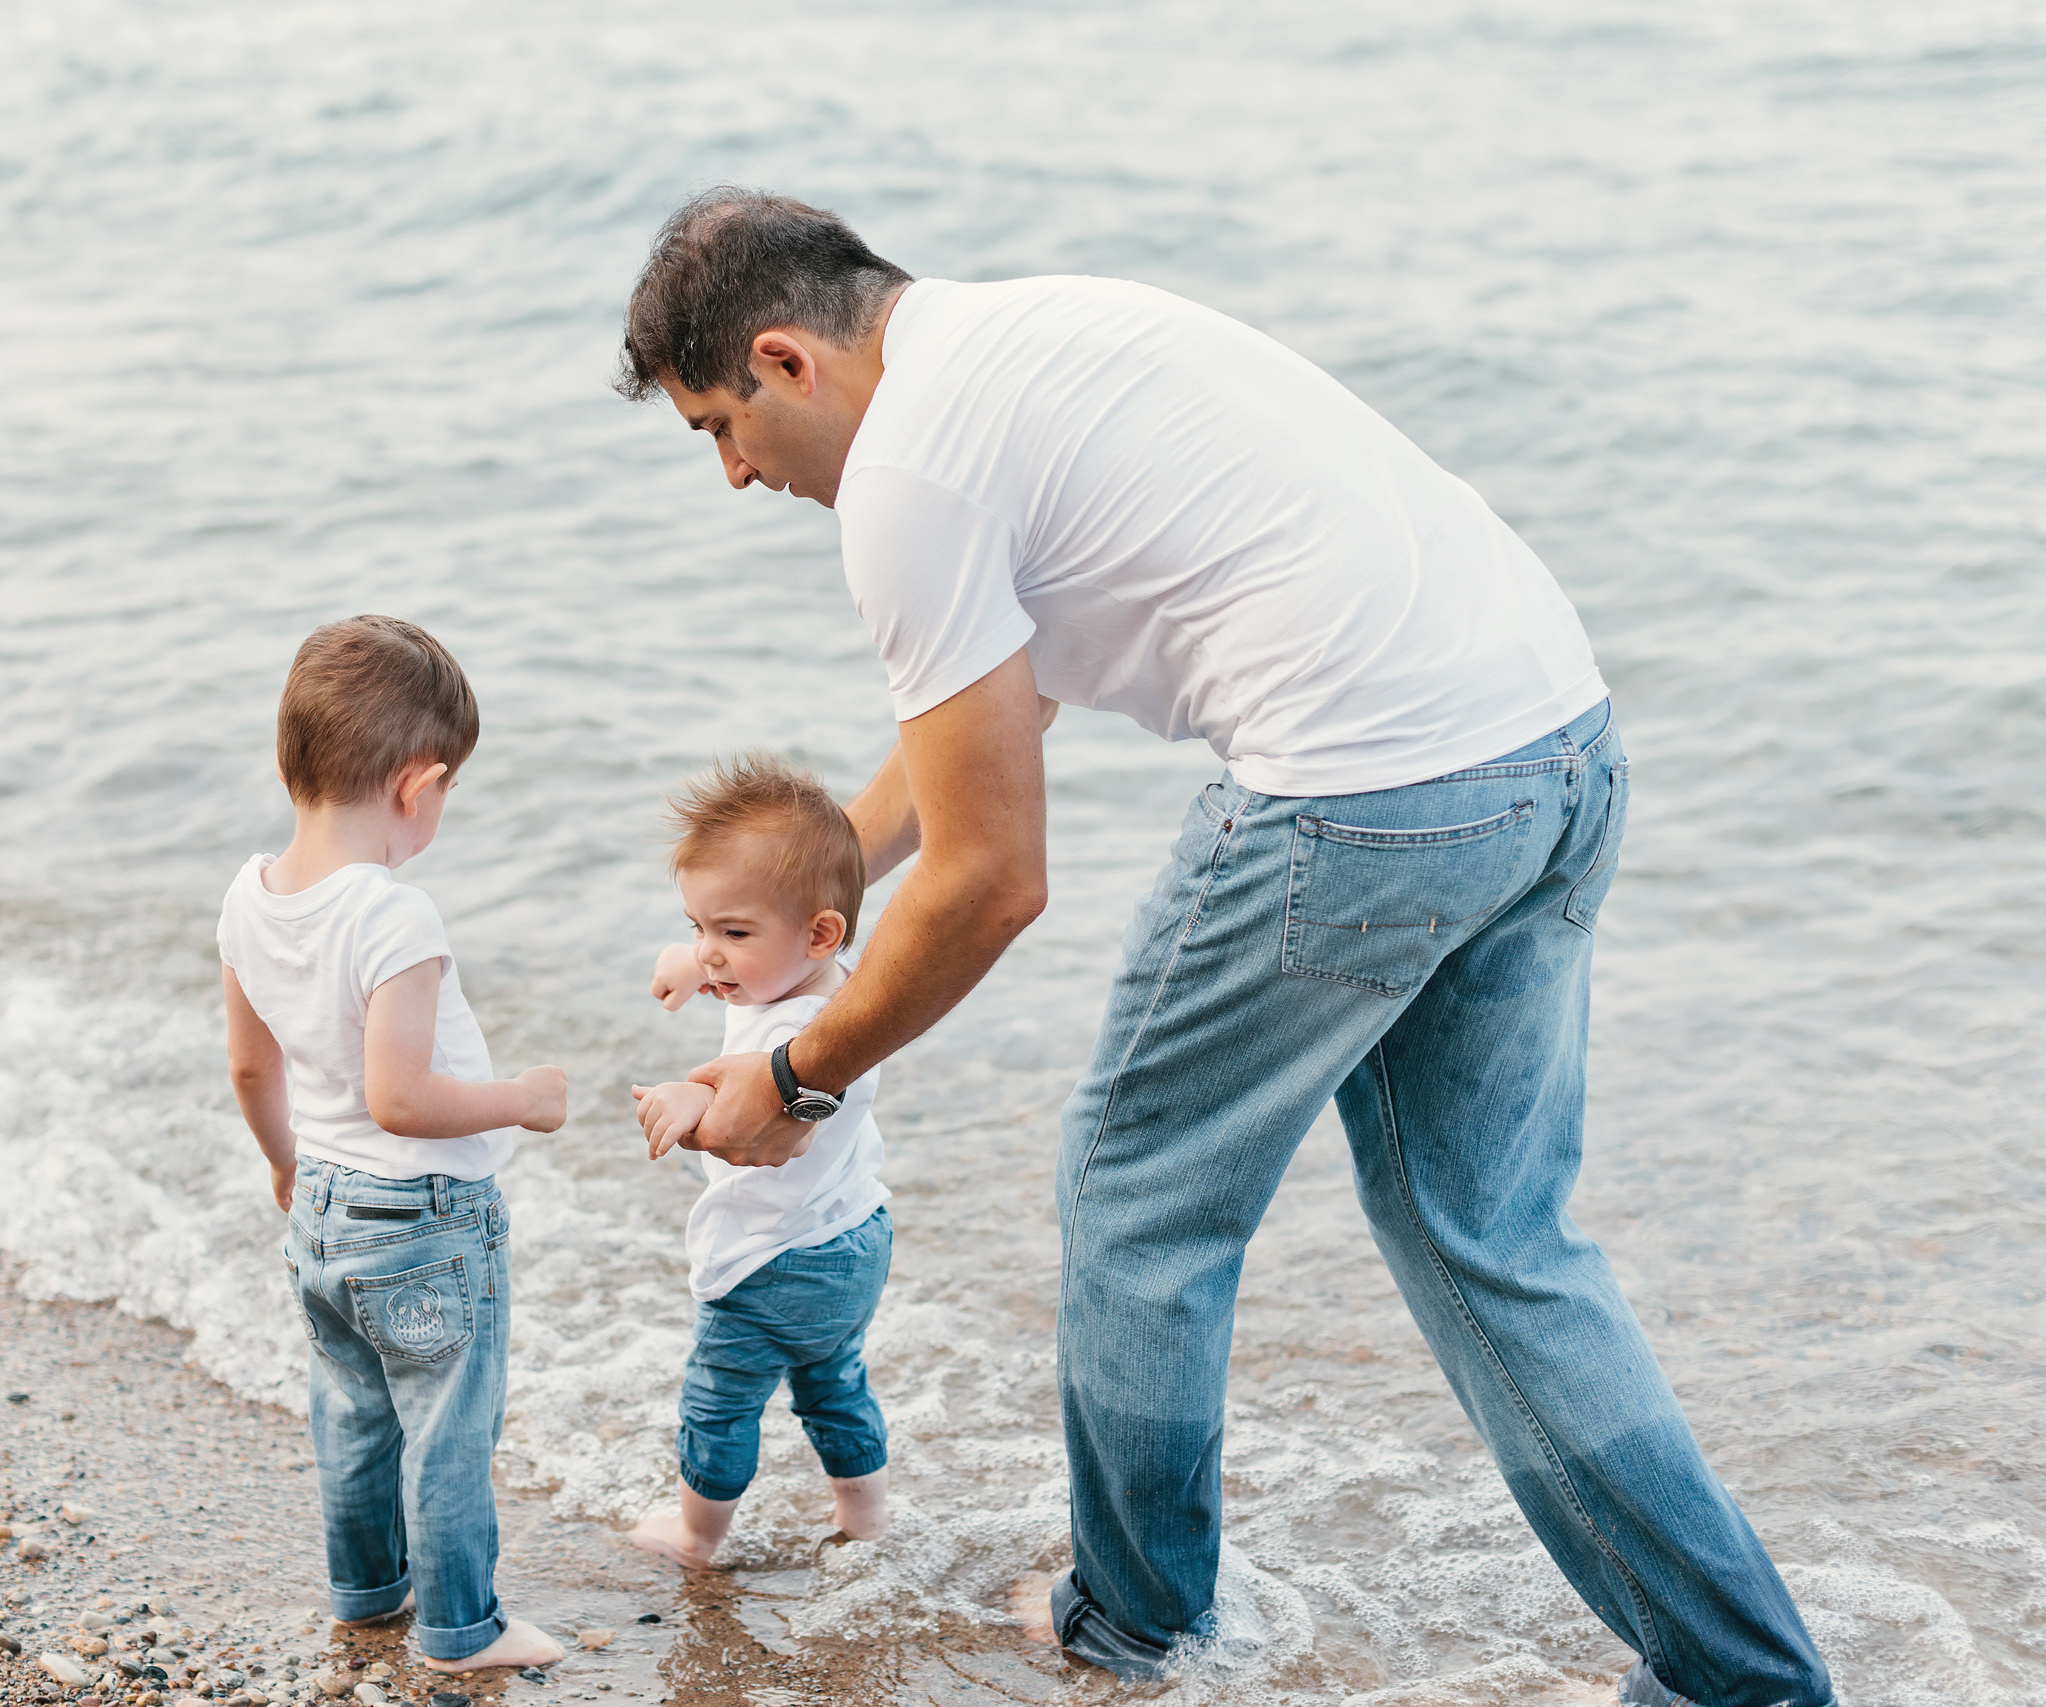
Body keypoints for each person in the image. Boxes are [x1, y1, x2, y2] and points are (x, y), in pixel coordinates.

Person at [612, 189, 1836, 1707]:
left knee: (1137, 1198)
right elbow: (995, 724)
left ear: (788, 362)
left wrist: (794, 1074)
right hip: (1558, 744)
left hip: (1364, 794)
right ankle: (1745, 1678)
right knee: (1495, 1240)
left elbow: (994, 881)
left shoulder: (905, 482)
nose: (733, 473)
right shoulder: (1037, 331)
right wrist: (814, 892)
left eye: (719, 427)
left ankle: (1133, 1622)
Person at [217, 615, 568, 1675]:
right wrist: (523, 1099)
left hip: (321, 1208)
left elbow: (249, 1067)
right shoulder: (394, 915)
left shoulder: (248, 897)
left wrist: (284, 1162)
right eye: (448, 791)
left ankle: (368, 1590)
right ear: (417, 785)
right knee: (449, 1427)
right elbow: (404, 1097)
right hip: (423, 1221)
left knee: (354, 1415)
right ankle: (464, 1627)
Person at [625, 753, 893, 1568]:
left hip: (769, 1259)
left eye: (731, 933)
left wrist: (685, 1096)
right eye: (699, 924)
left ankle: (699, 1536)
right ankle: (865, 1520)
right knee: (834, 1385)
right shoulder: (838, 995)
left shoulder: (795, 1042)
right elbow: (750, 976)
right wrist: (697, 959)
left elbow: (752, 1109)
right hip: (854, 1238)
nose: (710, 952)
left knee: (719, 1401)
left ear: (820, 931)